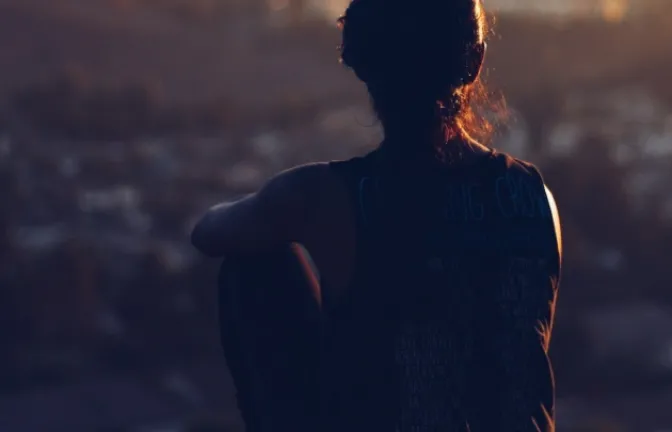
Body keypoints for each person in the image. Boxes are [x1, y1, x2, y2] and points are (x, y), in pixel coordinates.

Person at [191, 0, 562, 430]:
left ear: (361, 63)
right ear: (475, 61)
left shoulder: (325, 197)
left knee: (253, 266)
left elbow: (208, 232)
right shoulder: (533, 196)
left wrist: (280, 208)